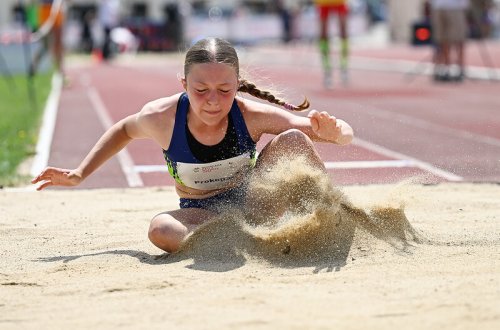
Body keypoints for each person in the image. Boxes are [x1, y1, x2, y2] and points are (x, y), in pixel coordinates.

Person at [31, 37, 354, 253]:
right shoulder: (162, 117)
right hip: (202, 213)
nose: (213, 101)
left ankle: (326, 223)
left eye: (224, 90)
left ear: (238, 85)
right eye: (201, 90)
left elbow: (330, 132)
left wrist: (338, 132)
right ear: (184, 84)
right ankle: (241, 238)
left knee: (294, 140)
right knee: (161, 230)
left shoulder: (251, 115)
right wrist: (79, 174)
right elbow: (123, 130)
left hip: (256, 201)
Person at [430, 0, 470, 82]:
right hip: (438, 6)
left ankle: (460, 68)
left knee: (458, 38)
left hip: (455, 7)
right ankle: (445, 68)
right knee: (442, 39)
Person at [314, 0, 350, 88]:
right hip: (323, 2)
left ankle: (344, 66)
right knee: (323, 34)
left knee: (343, 31)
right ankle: (327, 69)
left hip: (339, 2)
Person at [30, 0, 66, 77]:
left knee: (57, 44)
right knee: (46, 45)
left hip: (55, 9)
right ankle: (34, 65)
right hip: (46, 9)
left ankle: (60, 71)